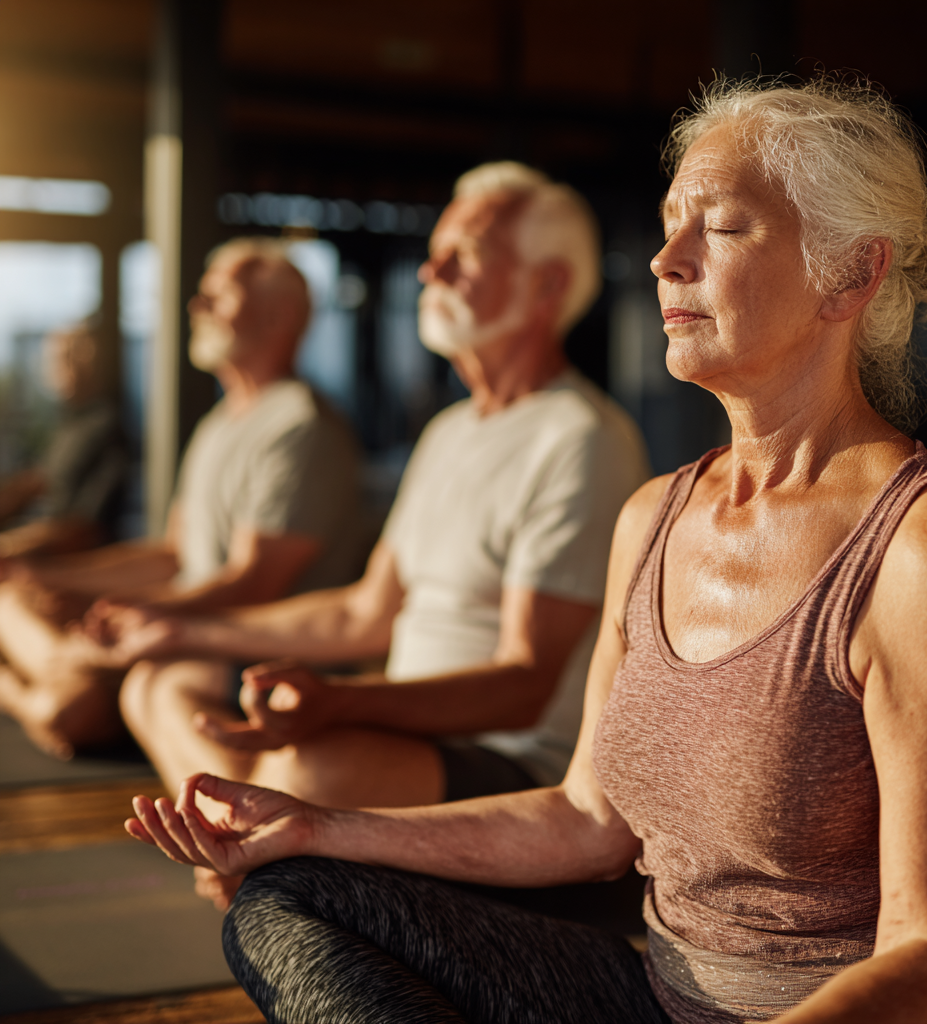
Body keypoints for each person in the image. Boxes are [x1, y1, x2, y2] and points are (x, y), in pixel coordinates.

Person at [127, 78, 927, 1024]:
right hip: (659, 995)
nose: (665, 259)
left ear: (848, 273)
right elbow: (587, 819)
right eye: (671, 224)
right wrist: (314, 826)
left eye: (719, 227)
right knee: (288, 896)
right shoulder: (653, 518)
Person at [101, 163, 649, 894]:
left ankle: (258, 855)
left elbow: (524, 684)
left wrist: (342, 703)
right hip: (402, 734)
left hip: (513, 767)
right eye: (436, 249)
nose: (431, 268)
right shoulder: (450, 431)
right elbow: (362, 614)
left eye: (466, 254)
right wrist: (184, 632)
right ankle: (260, 856)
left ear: (545, 287)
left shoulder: (582, 438)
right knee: (160, 683)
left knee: (311, 764)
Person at [0, 238, 362, 759]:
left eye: (220, 293)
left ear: (279, 316)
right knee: (14, 599)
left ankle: (27, 685)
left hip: (243, 654)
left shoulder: (301, 425)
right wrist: (47, 578)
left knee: (69, 710)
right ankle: (63, 663)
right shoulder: (220, 424)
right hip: (182, 630)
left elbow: (253, 584)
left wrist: (132, 619)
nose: (198, 306)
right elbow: (174, 554)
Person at [0, 322, 126, 561]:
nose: (54, 366)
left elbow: (88, 528)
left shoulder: (105, 426)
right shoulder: (69, 423)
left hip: (81, 564)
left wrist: (10, 545)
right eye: (53, 357)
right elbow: (36, 482)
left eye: (66, 356)